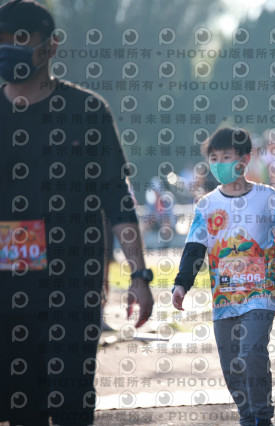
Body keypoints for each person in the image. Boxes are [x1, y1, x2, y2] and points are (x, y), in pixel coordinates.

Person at [0, 1, 154, 425]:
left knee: (72, 404)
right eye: (1, 40)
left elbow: (118, 199)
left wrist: (139, 275)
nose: (8, 48)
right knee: (21, 408)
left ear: (51, 46)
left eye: (20, 39)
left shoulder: (86, 112)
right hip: (8, 292)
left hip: (73, 288)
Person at [171, 127, 275, 426]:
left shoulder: (268, 198)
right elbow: (195, 248)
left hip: (262, 291)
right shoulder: (207, 204)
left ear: (244, 160)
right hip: (224, 295)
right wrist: (181, 284)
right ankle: (246, 416)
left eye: (226, 157)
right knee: (231, 365)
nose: (219, 164)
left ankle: (262, 416)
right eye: (214, 158)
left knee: (251, 351)